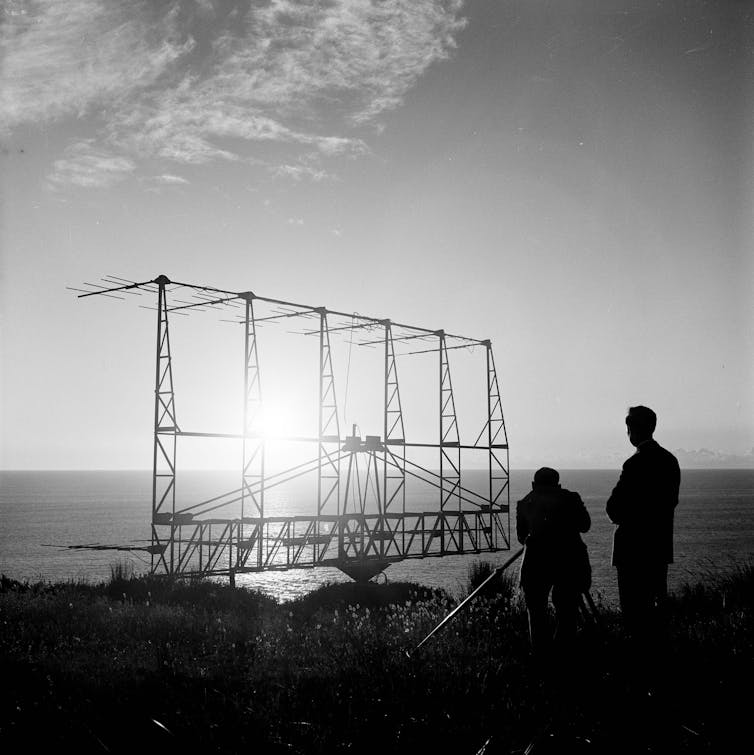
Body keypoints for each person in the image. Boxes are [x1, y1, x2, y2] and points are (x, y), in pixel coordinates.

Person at [606, 405, 680, 665]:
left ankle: (639, 667)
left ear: (634, 429)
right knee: (656, 608)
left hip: (632, 548)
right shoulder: (670, 461)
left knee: (634, 613)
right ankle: (659, 663)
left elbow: (613, 508)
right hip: (658, 546)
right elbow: (671, 501)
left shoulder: (635, 463)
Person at [516, 467, 592, 656]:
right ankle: (564, 656)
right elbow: (585, 525)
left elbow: (521, 537)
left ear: (533, 484)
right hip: (569, 560)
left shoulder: (525, 502)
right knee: (567, 612)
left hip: (535, 562)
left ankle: (542, 659)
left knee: (536, 612)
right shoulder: (571, 498)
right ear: (558, 484)